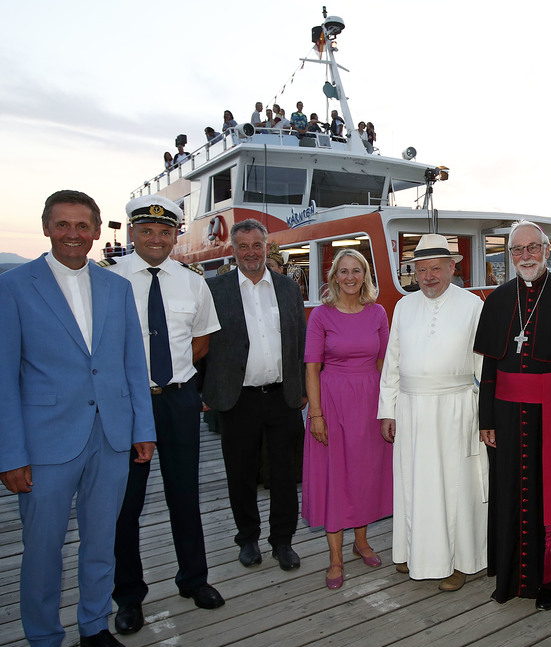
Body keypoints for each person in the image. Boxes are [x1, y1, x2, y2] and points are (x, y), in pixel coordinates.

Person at [0, 190, 156, 647]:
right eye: (63, 224)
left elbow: (133, 364)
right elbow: (4, 377)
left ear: (95, 231)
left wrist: (143, 428)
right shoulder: (14, 287)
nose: (73, 234)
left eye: (82, 225)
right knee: (42, 550)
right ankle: (44, 643)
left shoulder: (115, 288)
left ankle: (94, 626)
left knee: (102, 541)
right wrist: (10, 454)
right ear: (46, 227)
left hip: (110, 437)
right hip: (44, 443)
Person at [101, 195, 225, 637]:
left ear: (175, 236)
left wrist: (172, 376)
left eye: (165, 231)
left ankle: (194, 579)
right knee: (126, 503)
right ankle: (128, 596)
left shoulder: (193, 283)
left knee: (184, 493)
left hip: (177, 399)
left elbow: (201, 342)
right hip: (128, 402)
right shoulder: (110, 280)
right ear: (133, 233)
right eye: (147, 231)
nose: (156, 239)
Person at [474, 221, 551, 611]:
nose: (525, 255)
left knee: (550, 496)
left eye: (532, 247)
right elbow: (490, 367)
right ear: (509, 254)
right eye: (517, 249)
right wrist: (486, 419)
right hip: (507, 413)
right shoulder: (497, 300)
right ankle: (508, 578)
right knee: (509, 492)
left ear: (546, 250)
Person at [377, 233, 487, 591]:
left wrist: (485, 417)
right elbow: (392, 362)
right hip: (410, 410)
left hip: (456, 410)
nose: (428, 277)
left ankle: (461, 562)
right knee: (414, 485)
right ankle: (414, 552)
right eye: (421, 270)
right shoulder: (404, 307)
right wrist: (388, 410)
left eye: (436, 269)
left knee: (456, 488)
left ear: (452, 268)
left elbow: (484, 367)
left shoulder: (473, 306)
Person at [201, 219, 307, 572]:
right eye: (243, 246)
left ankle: (283, 541)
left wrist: (303, 389)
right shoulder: (214, 289)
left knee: (284, 474)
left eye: (256, 245)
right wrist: (206, 391)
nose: (250, 252)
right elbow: (201, 344)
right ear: (233, 250)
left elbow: (299, 341)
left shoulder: (288, 288)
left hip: (282, 396)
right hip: (238, 399)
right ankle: (247, 538)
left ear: (266, 247)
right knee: (240, 473)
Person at [303, 250, 391, 589]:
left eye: (356, 270)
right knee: (335, 478)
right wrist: (316, 415)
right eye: (343, 271)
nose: (350, 277)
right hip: (332, 402)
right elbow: (312, 368)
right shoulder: (321, 315)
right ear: (334, 277)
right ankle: (335, 558)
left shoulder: (378, 312)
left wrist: (387, 408)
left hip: (369, 402)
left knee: (364, 475)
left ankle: (362, 542)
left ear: (365, 275)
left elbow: (384, 362)